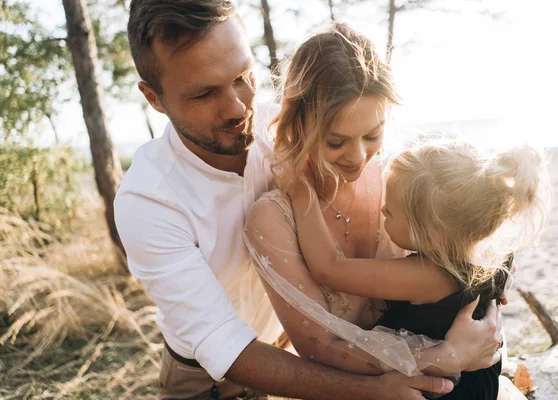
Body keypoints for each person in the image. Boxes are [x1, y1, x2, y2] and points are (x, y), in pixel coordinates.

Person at [115, 1, 471, 398]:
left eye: (242, 77)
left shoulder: (293, 130)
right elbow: (227, 348)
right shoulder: (148, 203)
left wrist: (473, 275)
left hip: (300, 346)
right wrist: (388, 384)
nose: (237, 106)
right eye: (204, 94)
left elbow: (396, 175)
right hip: (207, 377)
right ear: (154, 98)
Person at [244, 23, 509, 398]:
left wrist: (492, 297)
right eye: (336, 141)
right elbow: (319, 347)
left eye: (373, 135)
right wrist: (448, 355)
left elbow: (470, 234)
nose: (358, 157)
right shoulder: (271, 219)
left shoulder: (397, 181)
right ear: (299, 124)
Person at [289, 139, 551, 399]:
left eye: (390, 211)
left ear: (428, 231)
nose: (382, 209)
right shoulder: (492, 253)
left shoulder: (428, 276)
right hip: (481, 382)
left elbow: (330, 270)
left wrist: (302, 192)